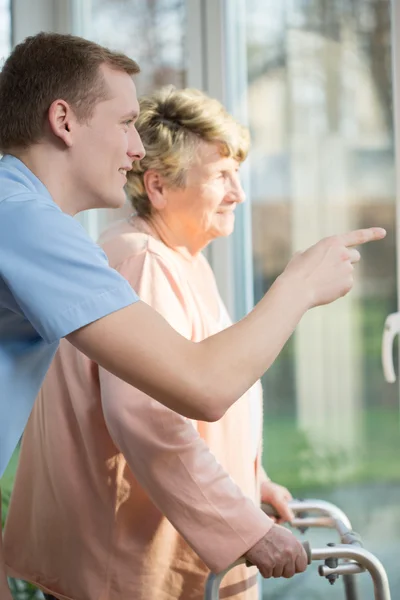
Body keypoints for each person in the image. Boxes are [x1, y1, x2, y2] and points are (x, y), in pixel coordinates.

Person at [0, 31, 385, 600]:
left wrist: (249, 481)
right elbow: (186, 393)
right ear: (64, 120)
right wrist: (298, 285)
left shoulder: (38, 221)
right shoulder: (37, 225)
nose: (136, 148)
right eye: (126, 121)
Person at [4, 86, 297, 600]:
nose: (239, 194)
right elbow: (147, 417)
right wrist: (243, 526)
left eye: (238, 174)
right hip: (128, 567)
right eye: (221, 177)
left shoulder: (179, 258)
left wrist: (251, 482)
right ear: (158, 187)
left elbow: (199, 406)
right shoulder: (145, 261)